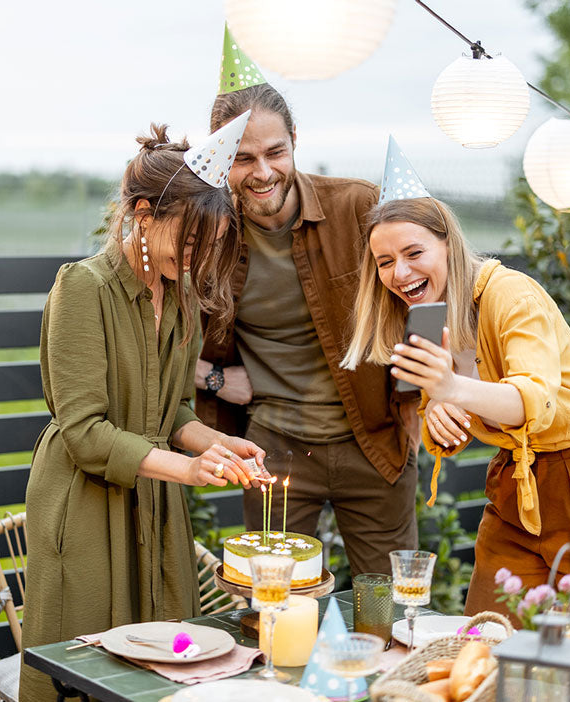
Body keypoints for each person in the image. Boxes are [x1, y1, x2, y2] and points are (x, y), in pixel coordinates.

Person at [341, 186, 570, 667]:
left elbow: (536, 401)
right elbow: (443, 412)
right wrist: (437, 413)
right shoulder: (426, 316)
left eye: (413, 253)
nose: (399, 273)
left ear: (448, 244)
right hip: (514, 490)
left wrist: (449, 390)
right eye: (384, 261)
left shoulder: (511, 293)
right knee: (481, 653)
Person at [19, 119, 268, 702]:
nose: (199, 255)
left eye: (210, 242)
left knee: (165, 663)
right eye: (189, 239)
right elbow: (83, 432)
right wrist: (187, 471)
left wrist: (216, 445)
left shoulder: (182, 296)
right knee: (82, 670)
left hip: (155, 504)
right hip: (83, 508)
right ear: (142, 213)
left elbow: (175, 409)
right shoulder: (83, 287)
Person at [194, 56, 416, 577]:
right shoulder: (207, 239)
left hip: (375, 446)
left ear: (295, 138)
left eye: (275, 152)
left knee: (382, 606)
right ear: (222, 158)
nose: (263, 172)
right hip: (273, 452)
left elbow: (428, 296)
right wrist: (215, 377)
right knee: (272, 610)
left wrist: (425, 398)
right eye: (244, 158)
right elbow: (160, 342)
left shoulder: (358, 208)